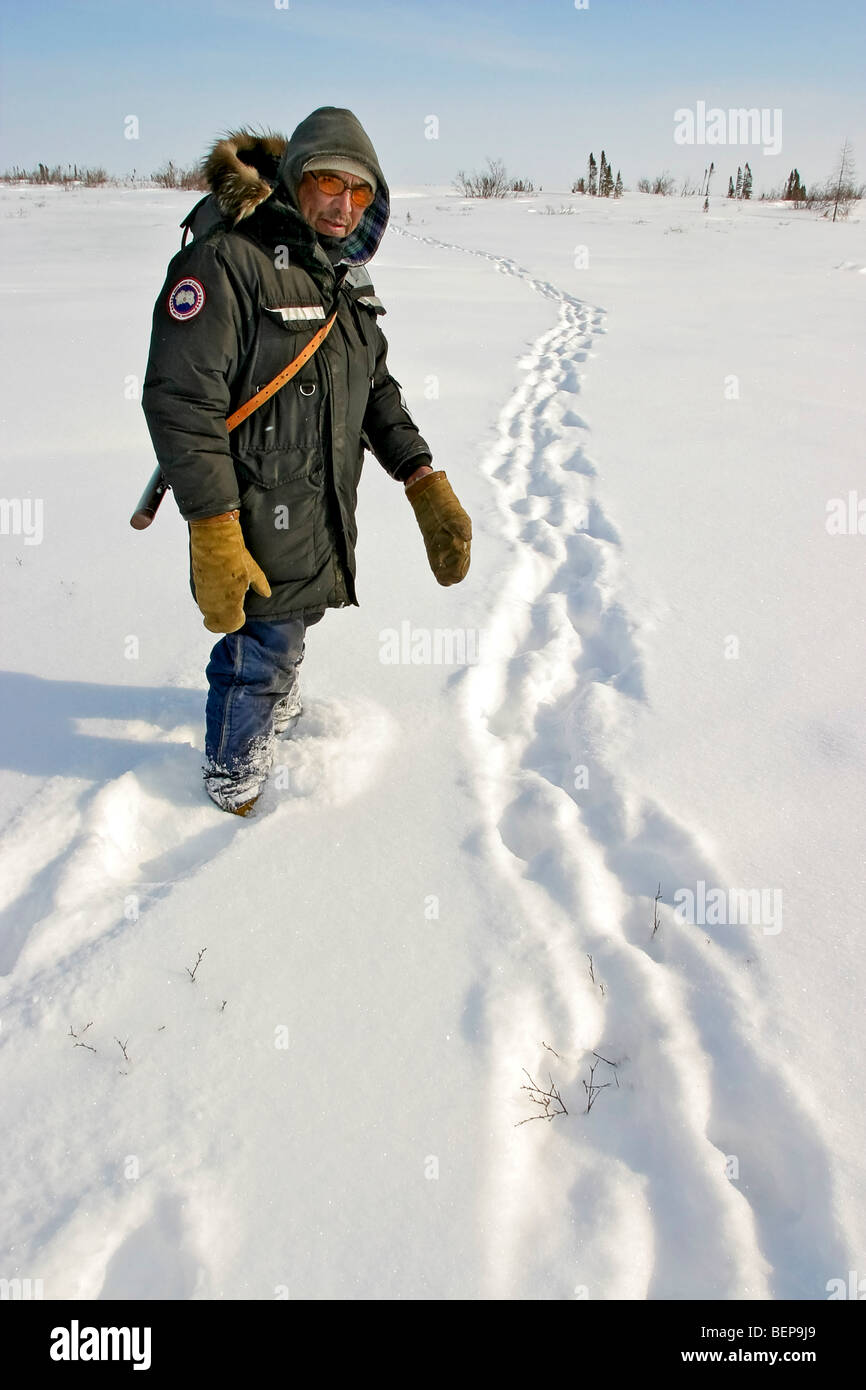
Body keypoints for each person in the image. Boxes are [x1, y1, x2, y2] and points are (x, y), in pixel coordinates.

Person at [141, 107, 472, 815]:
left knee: (290, 627)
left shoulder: (342, 279)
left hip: (316, 507)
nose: (343, 204)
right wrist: (215, 526)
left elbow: (374, 390)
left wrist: (423, 480)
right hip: (249, 506)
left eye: (360, 192)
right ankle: (234, 778)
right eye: (329, 182)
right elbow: (180, 400)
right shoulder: (231, 261)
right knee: (255, 650)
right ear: (297, 177)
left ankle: (277, 710)